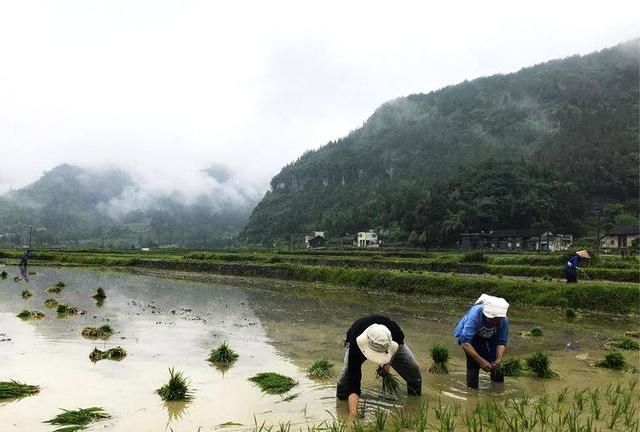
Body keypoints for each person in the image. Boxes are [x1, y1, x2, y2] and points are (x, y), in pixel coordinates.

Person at [336, 315, 422, 416]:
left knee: (413, 368)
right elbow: (354, 382)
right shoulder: (356, 344)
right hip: (357, 341)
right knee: (347, 374)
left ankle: (414, 401)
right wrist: (353, 416)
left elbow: (398, 343)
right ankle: (341, 399)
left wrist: (387, 364)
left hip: (388, 344)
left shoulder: (394, 331)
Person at [454, 294, 509, 389]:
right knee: (473, 364)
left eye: (496, 320)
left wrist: (498, 360)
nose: (492, 321)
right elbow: (465, 343)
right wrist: (481, 361)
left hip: (491, 338)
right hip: (472, 339)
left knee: (497, 367)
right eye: (490, 318)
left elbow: (501, 342)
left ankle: (497, 391)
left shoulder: (503, 321)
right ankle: (472, 393)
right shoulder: (475, 315)